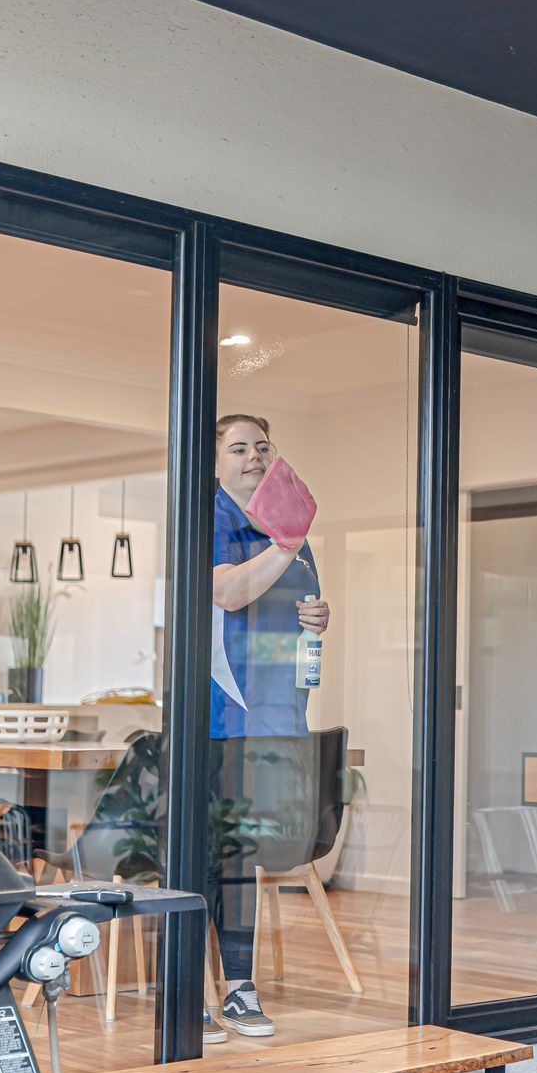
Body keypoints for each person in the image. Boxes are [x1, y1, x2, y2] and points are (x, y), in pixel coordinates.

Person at [205, 413, 329, 1041]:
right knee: (222, 856)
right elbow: (227, 594)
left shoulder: (289, 529)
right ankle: (216, 989)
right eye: (238, 447)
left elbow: (291, 600)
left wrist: (316, 614)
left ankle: (236, 990)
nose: (254, 456)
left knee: (248, 856)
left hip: (281, 711)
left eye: (262, 446)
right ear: (215, 462)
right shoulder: (215, 519)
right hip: (226, 716)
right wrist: (284, 545)